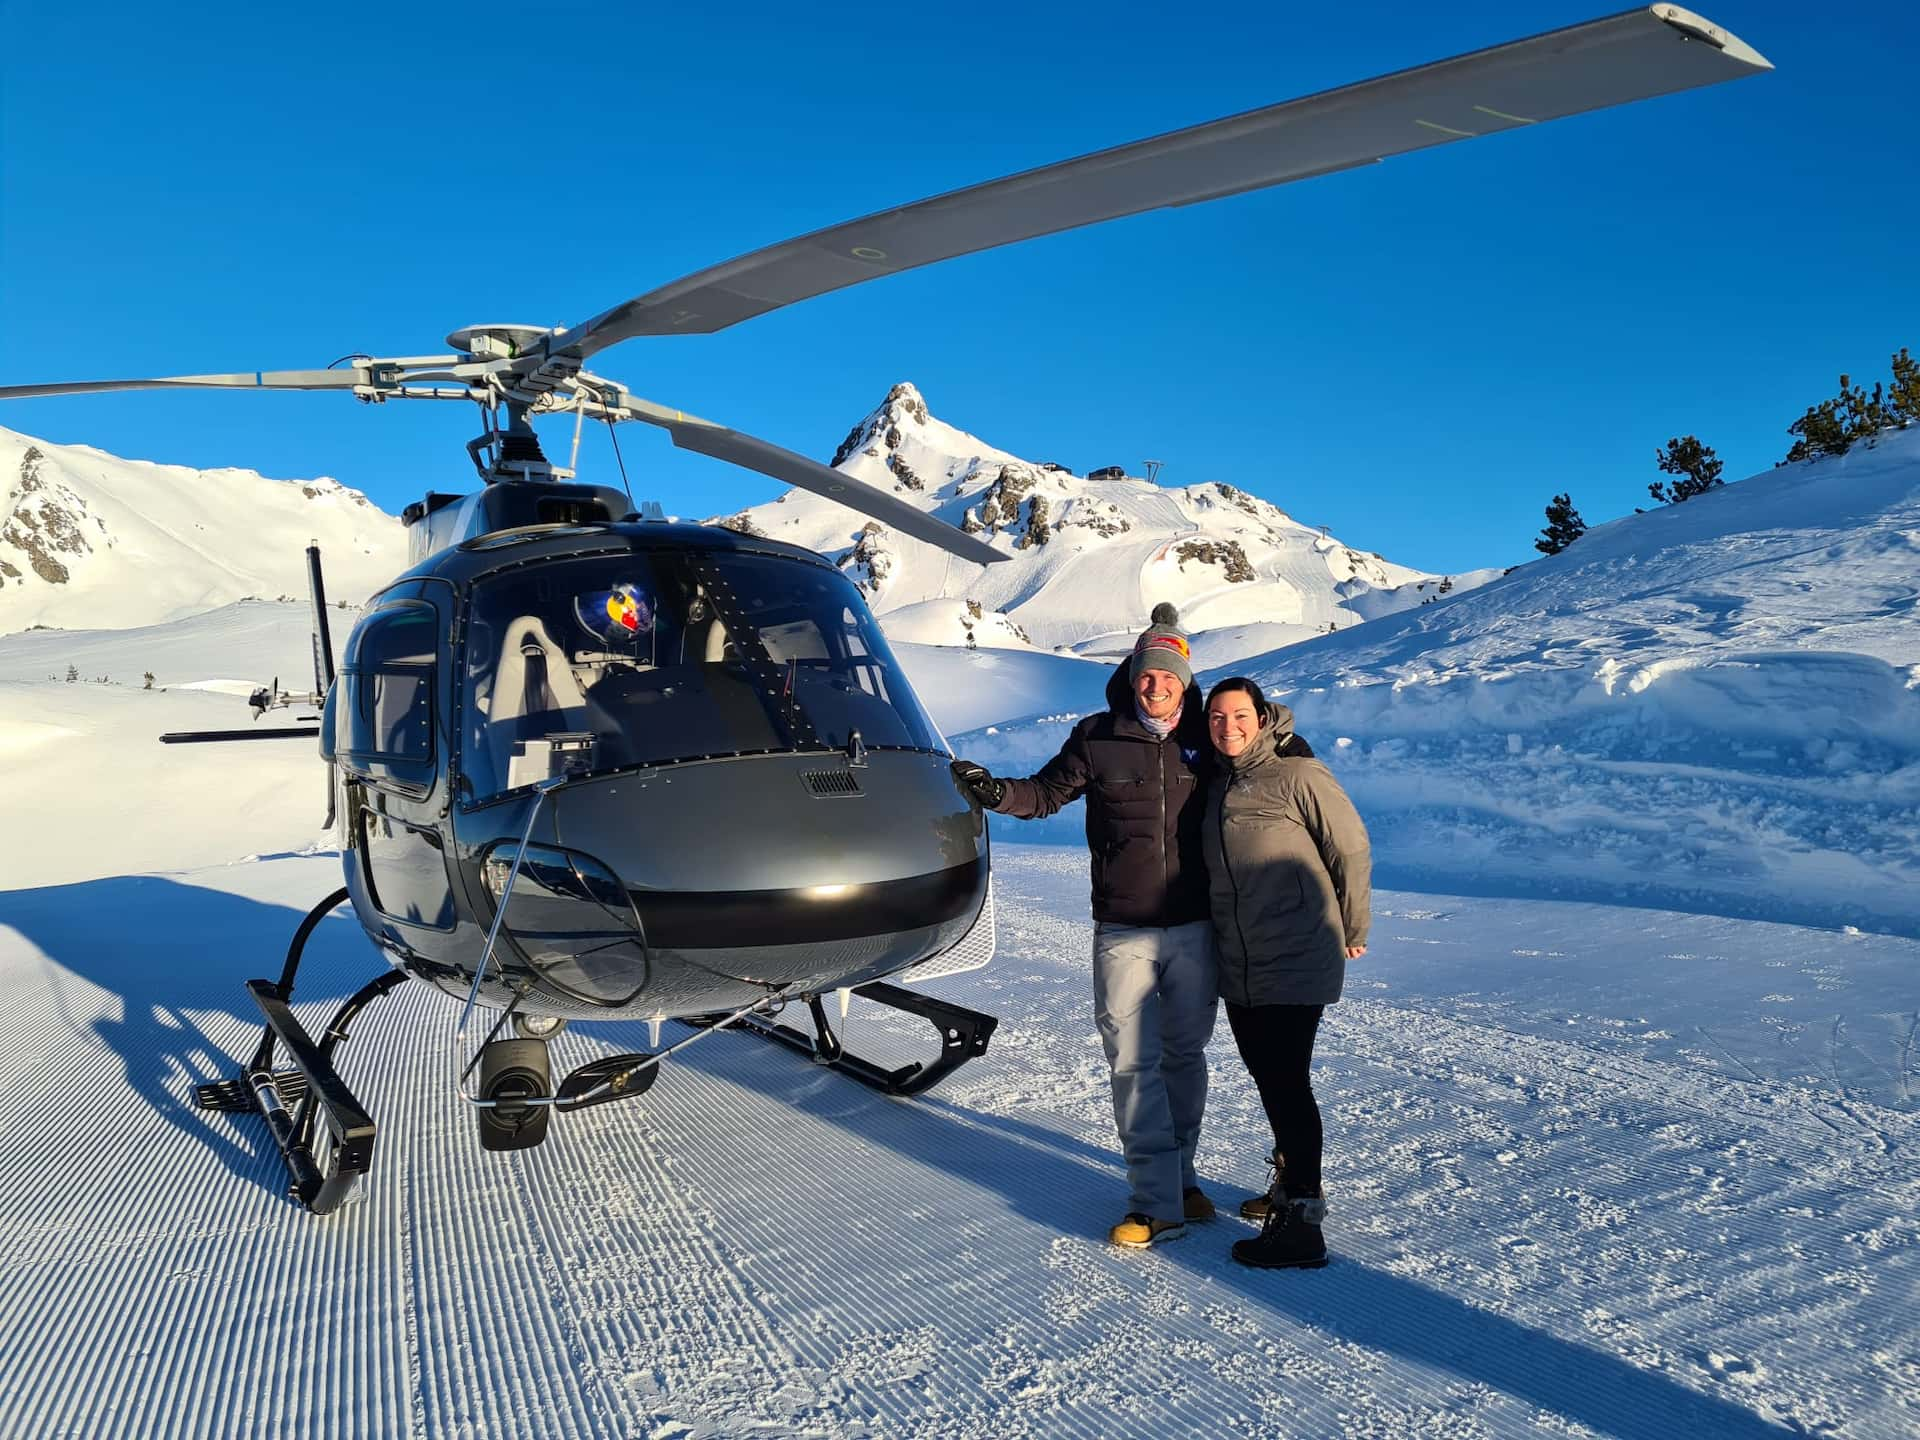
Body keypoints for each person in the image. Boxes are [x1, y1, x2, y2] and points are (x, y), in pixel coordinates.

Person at [950, 604, 1217, 1248]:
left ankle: (1181, 1177)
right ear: (1132, 676)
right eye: (1147, 675)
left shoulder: (1207, 743)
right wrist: (996, 794)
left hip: (1195, 927)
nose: (1156, 686)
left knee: (1184, 1056)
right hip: (1123, 927)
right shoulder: (1096, 736)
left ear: (1185, 683)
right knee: (1132, 1061)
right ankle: (1155, 1202)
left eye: (1169, 677)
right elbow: (1045, 794)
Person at [1201, 676, 1371, 1270]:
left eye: (1239, 715)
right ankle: (1288, 1184)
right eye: (1217, 717)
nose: (1228, 727)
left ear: (1263, 715)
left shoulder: (1298, 774)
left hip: (1298, 950)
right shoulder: (1218, 779)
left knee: (1286, 1083)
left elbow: (1348, 848)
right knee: (1271, 1078)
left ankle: (1304, 1221)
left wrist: (1354, 928)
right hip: (1241, 959)